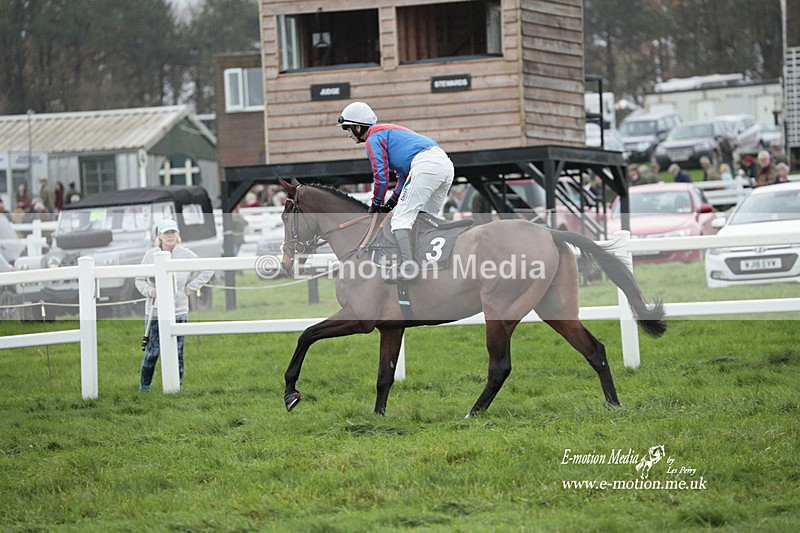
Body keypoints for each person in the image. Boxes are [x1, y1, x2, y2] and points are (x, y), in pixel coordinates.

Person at [338, 101, 455, 281]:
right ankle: (432, 266)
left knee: (401, 218)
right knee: (425, 219)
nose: (348, 135)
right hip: (444, 164)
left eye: (347, 129)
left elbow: (381, 177)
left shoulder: (373, 138)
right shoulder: (389, 134)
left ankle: (408, 268)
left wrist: (376, 205)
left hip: (426, 166)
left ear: (358, 127)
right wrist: (389, 204)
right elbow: (401, 179)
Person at [134, 219, 214, 391]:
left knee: (178, 352)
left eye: (172, 232)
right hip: (155, 311)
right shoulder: (150, 255)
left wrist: (189, 288)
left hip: (179, 310)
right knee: (152, 352)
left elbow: (208, 269)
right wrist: (150, 291)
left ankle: (176, 387)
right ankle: (144, 387)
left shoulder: (185, 253)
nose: (169, 236)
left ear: (177, 235)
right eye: (166, 233)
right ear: (159, 236)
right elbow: (139, 279)